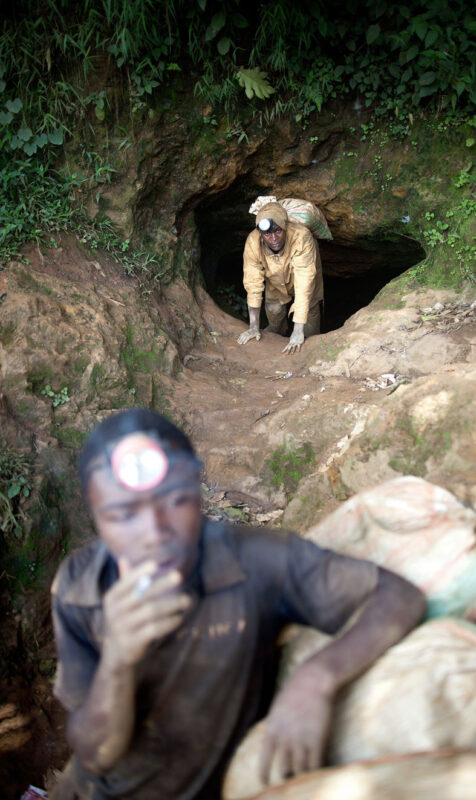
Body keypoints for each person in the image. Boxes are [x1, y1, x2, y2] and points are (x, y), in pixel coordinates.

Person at [50, 408, 426, 800]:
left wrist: (316, 679)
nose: (154, 533)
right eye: (123, 515)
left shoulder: (257, 561)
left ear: (197, 489)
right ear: (96, 518)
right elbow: (96, 756)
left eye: (174, 501)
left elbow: (399, 595)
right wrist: (117, 660)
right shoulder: (81, 588)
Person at [237, 201, 324, 354]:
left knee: (309, 324)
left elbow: (304, 285)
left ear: (285, 227)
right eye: (267, 234)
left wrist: (298, 331)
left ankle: (308, 345)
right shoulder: (253, 242)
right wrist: (253, 327)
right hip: (276, 285)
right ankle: (278, 333)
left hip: (307, 285)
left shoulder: (301, 237)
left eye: (278, 231)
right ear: (260, 233)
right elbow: (253, 283)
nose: (273, 238)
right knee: (274, 312)